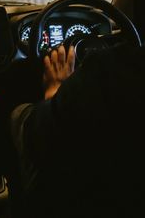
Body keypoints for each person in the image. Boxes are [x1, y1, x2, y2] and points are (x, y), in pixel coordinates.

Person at [9, 43, 145, 218]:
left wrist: (54, 92)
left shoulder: (108, 70)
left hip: (93, 202)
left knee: (19, 116)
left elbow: (38, 133)